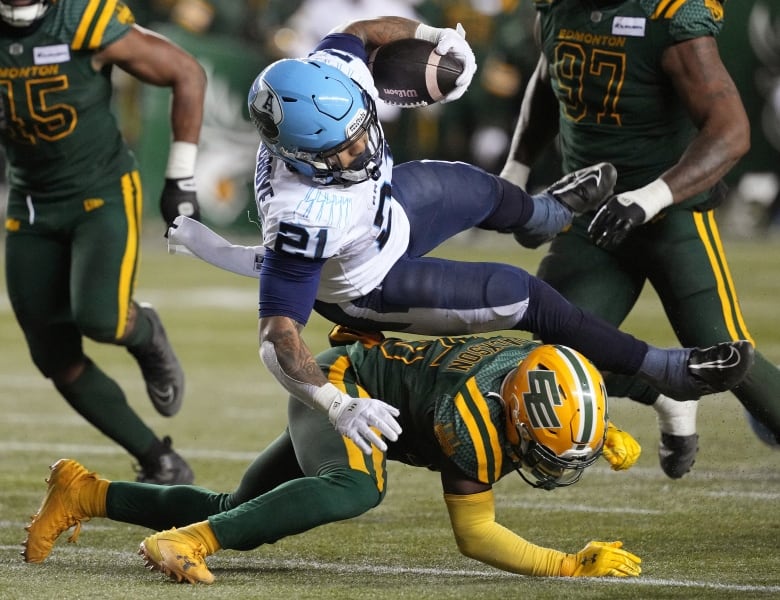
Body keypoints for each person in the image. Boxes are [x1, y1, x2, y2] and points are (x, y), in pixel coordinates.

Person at [226, 15, 752, 454]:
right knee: (523, 294)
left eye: (361, 130)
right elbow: (277, 338)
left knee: (480, 187)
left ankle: (544, 216)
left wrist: (434, 36)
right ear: (296, 156)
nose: (362, 151)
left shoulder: (334, 74)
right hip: (370, 282)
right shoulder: (300, 217)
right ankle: (663, 371)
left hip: (387, 210)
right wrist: (337, 406)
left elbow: (361, 31)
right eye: (340, 151)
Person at [23, 328, 644, 582]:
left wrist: (597, 428)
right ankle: (187, 542)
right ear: (510, 415)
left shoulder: (538, 368)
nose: (555, 466)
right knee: (355, 487)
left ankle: (85, 492)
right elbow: (476, 533)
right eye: (546, 452)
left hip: (373, 387)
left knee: (239, 507)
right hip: (347, 389)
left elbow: (558, 392)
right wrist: (563, 565)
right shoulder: (472, 423)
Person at [499, 0, 780, 478]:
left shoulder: (667, 16)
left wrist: (649, 198)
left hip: (669, 214)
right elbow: (551, 80)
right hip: (590, 216)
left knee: (721, 350)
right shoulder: (558, 10)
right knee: (550, 357)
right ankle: (664, 392)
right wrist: (516, 168)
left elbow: (731, 131)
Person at [1, 0, 206, 483]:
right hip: (29, 202)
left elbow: (186, 72)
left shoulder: (82, 18)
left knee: (101, 318)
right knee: (54, 355)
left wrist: (180, 176)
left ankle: (144, 332)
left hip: (100, 192)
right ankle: (159, 460)